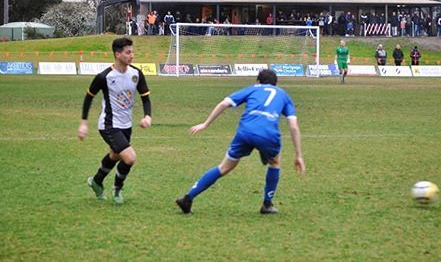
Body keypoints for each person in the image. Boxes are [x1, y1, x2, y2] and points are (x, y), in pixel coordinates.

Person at [175, 69, 305, 214]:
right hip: (268, 135)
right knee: (275, 162)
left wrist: (205, 124)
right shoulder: (284, 95)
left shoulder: (252, 89)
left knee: (224, 167)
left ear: (258, 81)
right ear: (276, 83)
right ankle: (267, 204)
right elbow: (293, 126)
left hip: (245, 132)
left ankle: (188, 198)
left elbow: (224, 103)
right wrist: (298, 155)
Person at [77, 37, 152, 204]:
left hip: (126, 125)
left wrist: (147, 116)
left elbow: (145, 97)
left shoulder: (136, 74)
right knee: (130, 157)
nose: (132, 55)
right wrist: (83, 123)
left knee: (115, 155)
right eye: (128, 52)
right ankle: (117, 189)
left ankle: (96, 181)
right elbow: (89, 97)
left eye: (132, 52)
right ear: (117, 54)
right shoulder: (104, 76)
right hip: (109, 125)